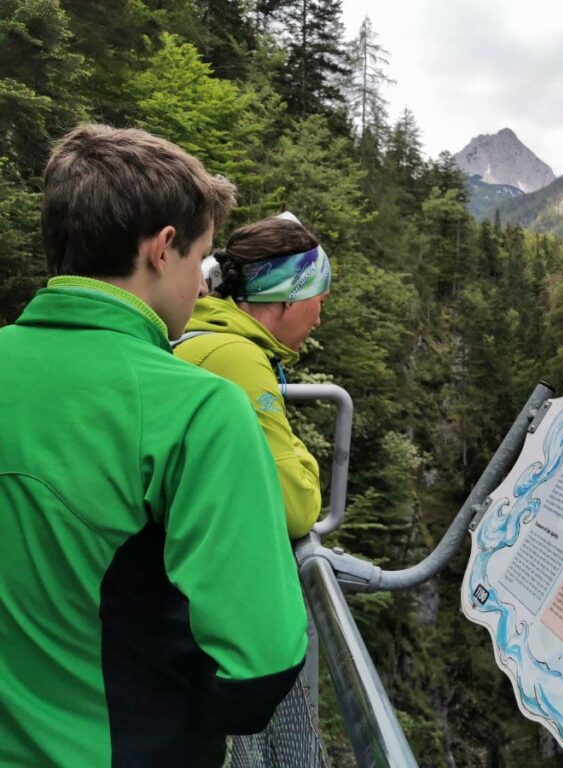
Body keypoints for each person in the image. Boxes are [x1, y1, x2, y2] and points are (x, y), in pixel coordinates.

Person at [0, 125, 309, 767]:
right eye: (201, 259)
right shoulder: (198, 409)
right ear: (162, 249)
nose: (202, 288)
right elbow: (259, 668)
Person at [173, 213, 330, 539]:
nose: (318, 320)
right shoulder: (235, 357)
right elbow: (296, 509)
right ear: (290, 294)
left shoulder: (204, 335)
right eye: (320, 301)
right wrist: (307, 464)